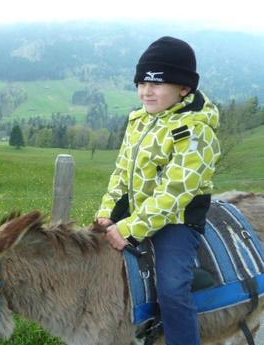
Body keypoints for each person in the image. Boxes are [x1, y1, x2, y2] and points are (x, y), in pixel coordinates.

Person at [96, 36, 221, 345]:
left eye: (157, 84)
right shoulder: (139, 121)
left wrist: (130, 228)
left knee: (173, 289)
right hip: (138, 211)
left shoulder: (195, 131)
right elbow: (121, 174)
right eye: (141, 83)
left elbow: (175, 192)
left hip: (177, 219)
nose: (146, 91)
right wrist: (106, 213)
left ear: (184, 88)